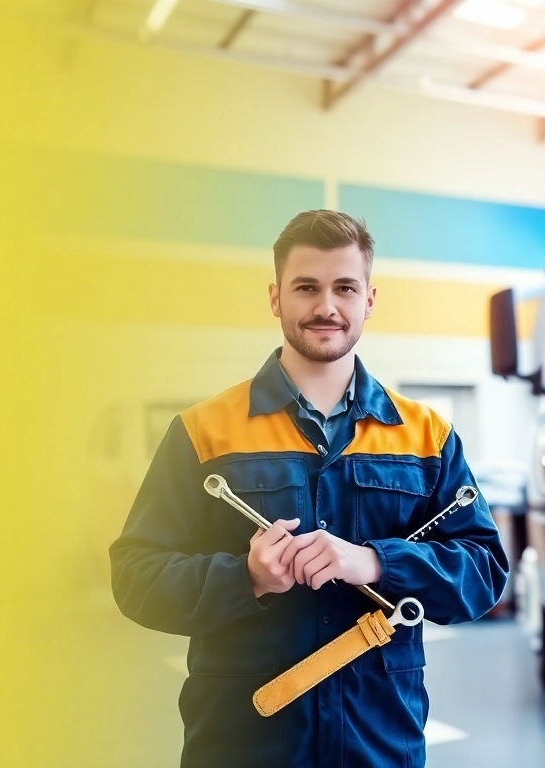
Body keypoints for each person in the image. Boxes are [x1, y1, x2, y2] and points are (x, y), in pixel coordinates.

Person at [110, 210, 510, 767]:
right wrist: (245, 576)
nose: (326, 307)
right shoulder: (203, 433)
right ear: (276, 297)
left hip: (380, 745)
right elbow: (135, 577)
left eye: (345, 288)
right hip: (241, 746)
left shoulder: (427, 437)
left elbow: (484, 571)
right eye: (307, 288)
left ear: (369, 299)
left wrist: (375, 563)